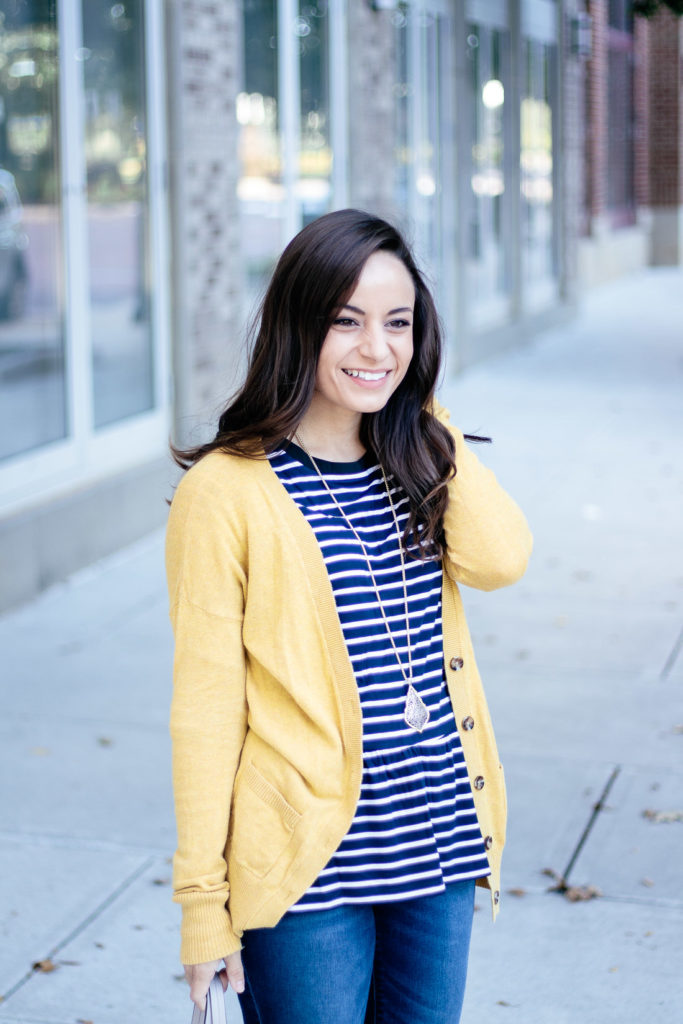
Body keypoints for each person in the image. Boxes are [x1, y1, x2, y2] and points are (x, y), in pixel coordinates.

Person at [166, 208, 532, 1024]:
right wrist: (202, 903)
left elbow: (502, 559)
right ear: (299, 326)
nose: (377, 348)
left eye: (397, 323)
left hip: (437, 844)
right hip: (307, 872)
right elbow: (204, 710)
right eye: (347, 322)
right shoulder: (226, 493)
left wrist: (424, 413)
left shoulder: (418, 460)